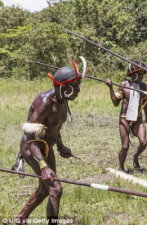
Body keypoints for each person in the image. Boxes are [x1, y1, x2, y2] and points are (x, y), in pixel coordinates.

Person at [13, 61, 85, 224]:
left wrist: (60, 145)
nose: (79, 91)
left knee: (46, 189)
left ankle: (20, 217)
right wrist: (43, 166)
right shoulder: (44, 102)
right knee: (55, 188)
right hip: (31, 147)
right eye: (76, 87)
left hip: (47, 147)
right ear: (65, 87)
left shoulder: (62, 100)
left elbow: (55, 127)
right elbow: (30, 136)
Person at [105, 62, 147, 172]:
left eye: (142, 75)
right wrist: (111, 88)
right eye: (139, 75)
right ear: (133, 74)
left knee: (143, 143)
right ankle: (121, 167)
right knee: (125, 146)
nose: (141, 77)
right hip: (125, 118)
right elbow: (116, 102)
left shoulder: (143, 86)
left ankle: (135, 156)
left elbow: (145, 101)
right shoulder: (124, 84)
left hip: (137, 118)